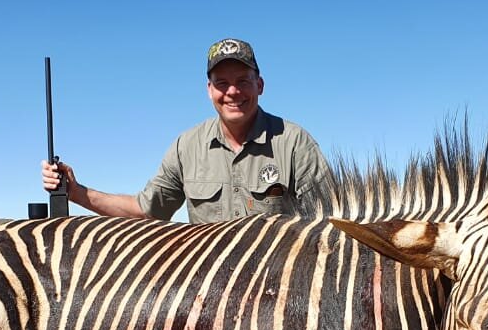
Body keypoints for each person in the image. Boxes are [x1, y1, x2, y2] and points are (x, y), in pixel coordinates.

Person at [41, 38, 329, 223]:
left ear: (260, 85)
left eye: (243, 81)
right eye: (221, 83)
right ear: (209, 90)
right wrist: (77, 193)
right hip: (210, 292)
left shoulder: (293, 142)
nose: (232, 92)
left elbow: (330, 221)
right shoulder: (186, 147)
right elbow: (146, 210)